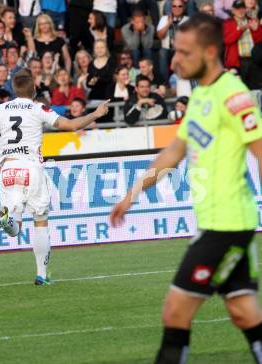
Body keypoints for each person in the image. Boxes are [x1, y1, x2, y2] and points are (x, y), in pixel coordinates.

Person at [110, 13, 262, 364]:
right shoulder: (201, 95)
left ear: (210, 52)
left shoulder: (233, 97)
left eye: (184, 52)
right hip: (217, 224)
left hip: (227, 227)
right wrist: (132, 194)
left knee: (175, 312)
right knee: (244, 312)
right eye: (174, 51)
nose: (175, 60)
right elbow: (174, 152)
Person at [0, 69, 110, 285]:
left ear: (14, 89)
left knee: (16, 228)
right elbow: (71, 125)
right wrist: (96, 114)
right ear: (33, 90)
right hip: (31, 168)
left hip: (9, 169)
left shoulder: (2, 108)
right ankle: (41, 274)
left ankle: (8, 219)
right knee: (40, 221)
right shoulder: (38, 108)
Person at [223, 0, 262, 87]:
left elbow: (259, 42)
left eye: (242, 8)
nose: (240, 11)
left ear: (245, 9)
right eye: (237, 9)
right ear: (233, 10)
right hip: (238, 63)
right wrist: (241, 30)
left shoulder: (252, 20)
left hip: (254, 61)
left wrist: (256, 30)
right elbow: (227, 40)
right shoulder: (227, 23)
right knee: (240, 91)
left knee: (256, 90)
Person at [157, 0, 189, 82]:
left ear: (184, 8)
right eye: (174, 6)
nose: (177, 8)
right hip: (167, 49)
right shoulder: (164, 19)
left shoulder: (188, 20)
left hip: (181, 49)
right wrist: (168, 24)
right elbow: (160, 36)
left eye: (179, 6)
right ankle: (165, 82)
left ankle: (181, 80)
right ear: (171, 8)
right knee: (162, 52)